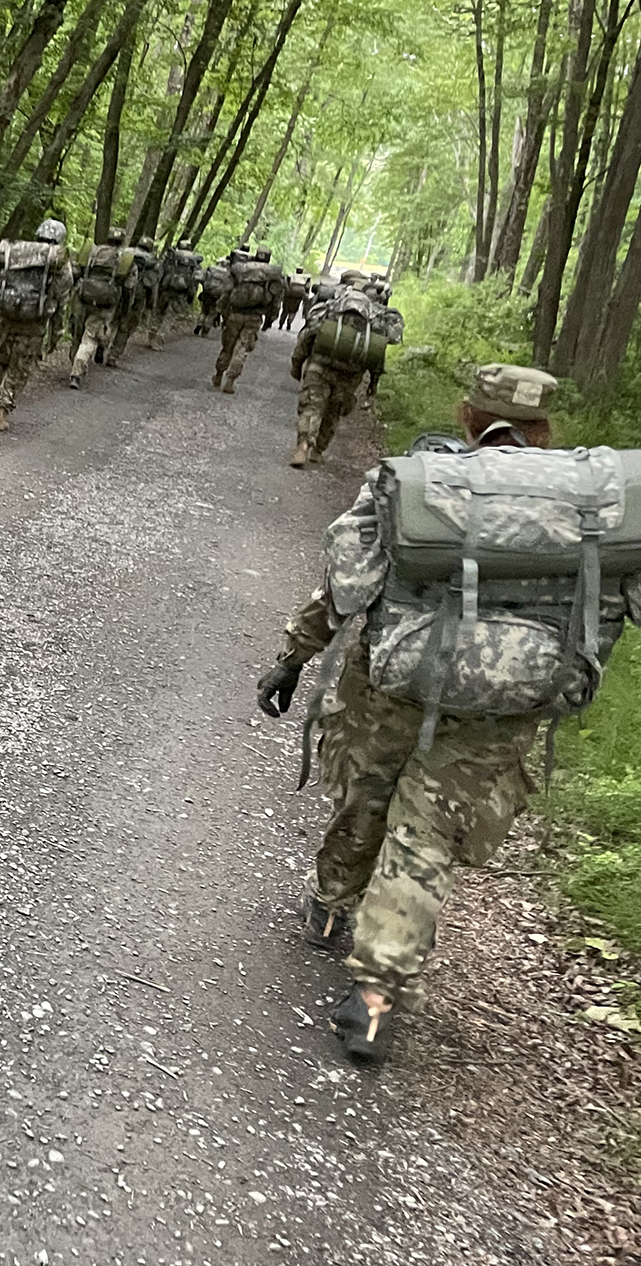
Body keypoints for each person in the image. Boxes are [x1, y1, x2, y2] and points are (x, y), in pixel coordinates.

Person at [254, 364, 641, 1065]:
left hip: (398, 682)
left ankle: (331, 904)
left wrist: (291, 656)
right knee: (426, 836)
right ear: (546, 429)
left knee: (366, 796)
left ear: (466, 416)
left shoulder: (414, 482)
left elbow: (344, 587)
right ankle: (374, 1001)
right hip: (510, 702)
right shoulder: (598, 507)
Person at [0, 218, 71, 432]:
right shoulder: (57, 262)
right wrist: (56, 333)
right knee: (19, 369)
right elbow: (61, 300)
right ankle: (0, 415)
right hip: (33, 325)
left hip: (5, 318)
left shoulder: (14, 251)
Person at [289, 278, 385, 467]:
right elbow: (378, 355)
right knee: (334, 411)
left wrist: (298, 363)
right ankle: (318, 451)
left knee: (312, 406)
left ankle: (303, 445)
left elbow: (308, 336)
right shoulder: (375, 319)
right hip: (350, 376)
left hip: (320, 368)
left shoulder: (331, 309)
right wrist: (373, 383)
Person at [213, 246, 285, 394]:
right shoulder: (272, 275)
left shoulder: (241, 269)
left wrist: (220, 309)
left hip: (235, 314)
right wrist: (270, 320)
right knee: (243, 347)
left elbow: (227, 291)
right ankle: (231, 380)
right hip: (255, 317)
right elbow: (276, 301)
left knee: (228, 346)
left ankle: (219, 374)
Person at [69, 227, 134, 390]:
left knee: (77, 334)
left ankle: (74, 364)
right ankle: (76, 372)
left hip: (83, 297)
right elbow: (129, 287)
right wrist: (125, 310)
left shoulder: (92, 251)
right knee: (90, 337)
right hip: (105, 303)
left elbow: (76, 272)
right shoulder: (124, 258)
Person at [109, 234, 157, 365]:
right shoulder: (152, 262)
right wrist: (150, 305)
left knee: (112, 320)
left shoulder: (125, 253)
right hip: (137, 297)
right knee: (126, 326)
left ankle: (103, 341)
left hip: (118, 292)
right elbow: (152, 285)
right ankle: (113, 355)